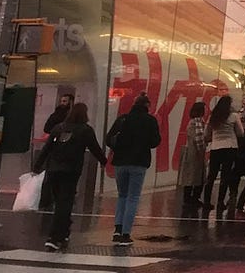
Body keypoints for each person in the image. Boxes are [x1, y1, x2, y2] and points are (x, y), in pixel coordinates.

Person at [34, 102, 105, 252]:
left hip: (53, 170)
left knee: (59, 202)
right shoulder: (86, 130)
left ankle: (64, 233)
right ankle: (54, 237)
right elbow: (95, 149)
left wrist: (36, 167)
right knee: (64, 204)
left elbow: (47, 148)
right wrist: (106, 162)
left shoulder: (58, 128)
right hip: (71, 172)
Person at [106, 93, 162, 245]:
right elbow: (155, 142)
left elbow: (108, 139)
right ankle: (126, 234)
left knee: (122, 195)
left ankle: (117, 229)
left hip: (120, 162)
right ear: (147, 106)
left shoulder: (122, 119)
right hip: (139, 163)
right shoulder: (150, 120)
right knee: (133, 197)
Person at [202, 95, 242, 214]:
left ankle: (206, 202)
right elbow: (240, 133)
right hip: (230, 148)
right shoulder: (233, 116)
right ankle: (220, 202)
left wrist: (212, 139)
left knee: (211, 176)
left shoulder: (213, 117)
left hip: (216, 147)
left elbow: (206, 134)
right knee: (225, 176)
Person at [177, 102, 208, 212]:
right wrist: (202, 151)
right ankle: (194, 198)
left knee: (189, 176)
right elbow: (198, 139)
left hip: (190, 151)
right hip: (195, 153)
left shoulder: (191, 121)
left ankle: (187, 198)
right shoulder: (198, 122)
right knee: (198, 175)